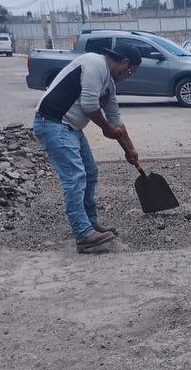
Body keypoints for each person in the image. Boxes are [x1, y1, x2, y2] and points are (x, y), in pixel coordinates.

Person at [33, 39, 142, 253]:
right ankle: (83, 235)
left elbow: (116, 120)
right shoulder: (95, 64)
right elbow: (90, 105)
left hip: (70, 128)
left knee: (90, 172)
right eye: (131, 71)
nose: (130, 76)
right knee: (74, 177)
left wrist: (130, 150)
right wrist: (106, 129)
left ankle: (90, 224)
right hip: (52, 123)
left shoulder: (109, 84)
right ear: (125, 62)